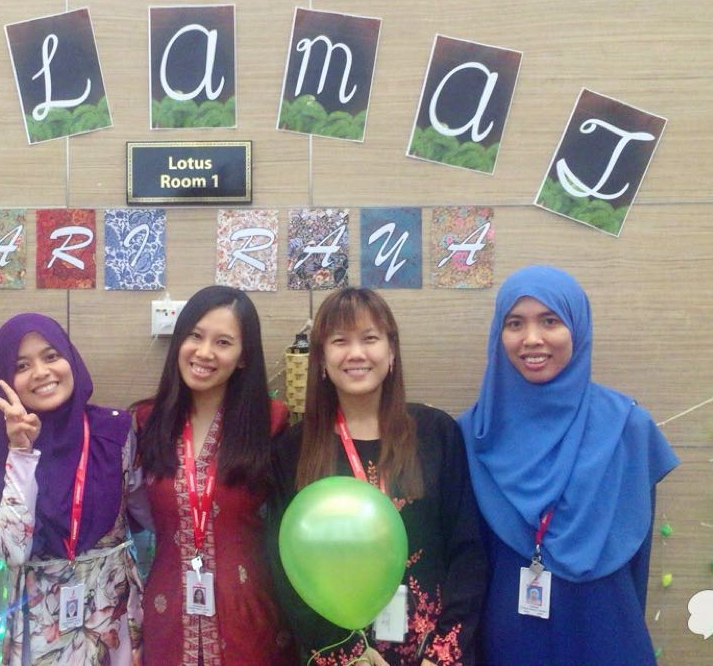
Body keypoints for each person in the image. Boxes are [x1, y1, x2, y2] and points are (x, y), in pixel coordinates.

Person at [459, 265, 679, 666]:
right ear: (498, 334)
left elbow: (638, 559)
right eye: (515, 323)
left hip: (608, 635)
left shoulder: (627, 428)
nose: (532, 338)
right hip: (509, 642)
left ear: (577, 327)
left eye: (550, 321)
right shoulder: (474, 435)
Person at [268, 287, 486, 666]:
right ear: (322, 359)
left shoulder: (436, 433)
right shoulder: (294, 449)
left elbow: (468, 551)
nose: (356, 353)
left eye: (369, 338)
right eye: (340, 341)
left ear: (391, 351)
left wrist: (442, 653)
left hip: (430, 653)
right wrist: (346, 653)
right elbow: (282, 566)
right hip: (340, 656)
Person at [0, 313, 146, 665]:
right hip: (41, 629)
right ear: (5, 379)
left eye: (51, 356)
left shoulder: (116, 433)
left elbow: (147, 510)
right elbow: (12, 550)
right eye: (22, 365)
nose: (41, 372)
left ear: (70, 358)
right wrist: (19, 452)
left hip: (113, 618)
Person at [134, 285, 293, 665]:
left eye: (223, 342)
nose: (204, 353)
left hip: (250, 617)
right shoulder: (146, 422)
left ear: (243, 357)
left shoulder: (271, 422)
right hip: (167, 615)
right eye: (195, 336)